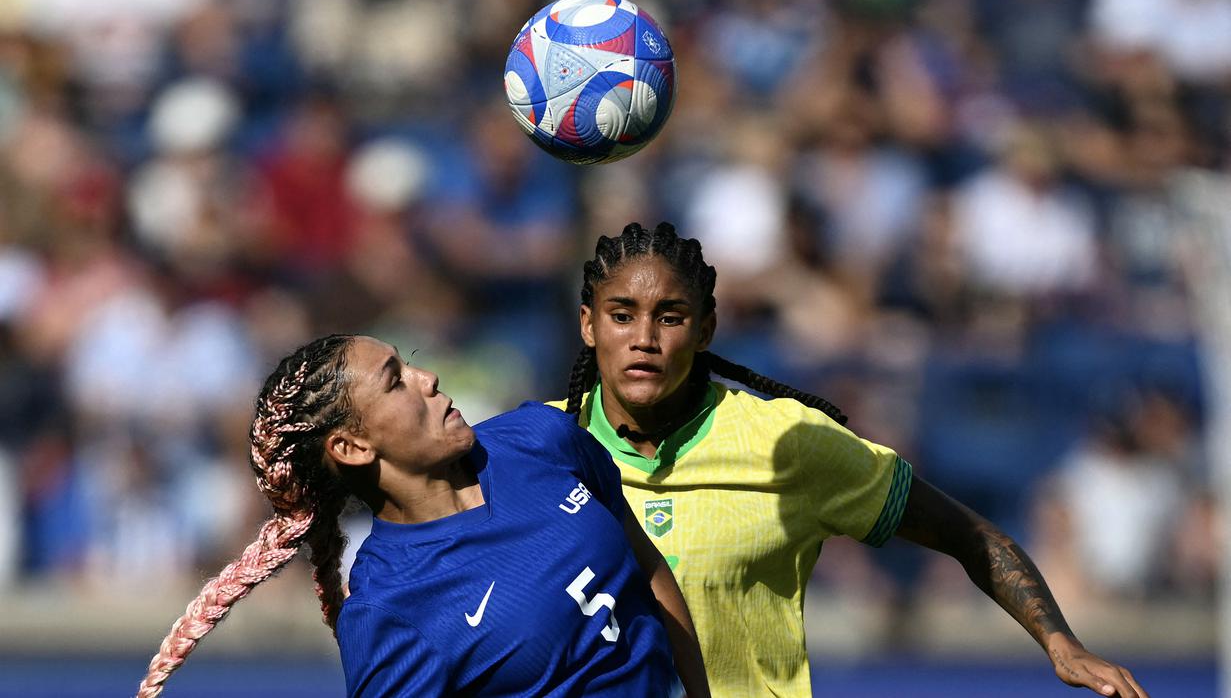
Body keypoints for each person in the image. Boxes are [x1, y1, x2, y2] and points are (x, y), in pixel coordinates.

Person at [549, 222, 1150, 698]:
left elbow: (969, 535)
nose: (645, 337)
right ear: (588, 324)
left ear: (706, 329)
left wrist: (1059, 641)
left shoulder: (788, 442)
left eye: (671, 317)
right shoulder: (536, 449)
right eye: (622, 315)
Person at [136, 333, 710, 698]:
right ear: (354, 447)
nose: (427, 377)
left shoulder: (540, 436)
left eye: (407, 363)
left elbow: (645, 564)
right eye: (395, 381)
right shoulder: (389, 614)